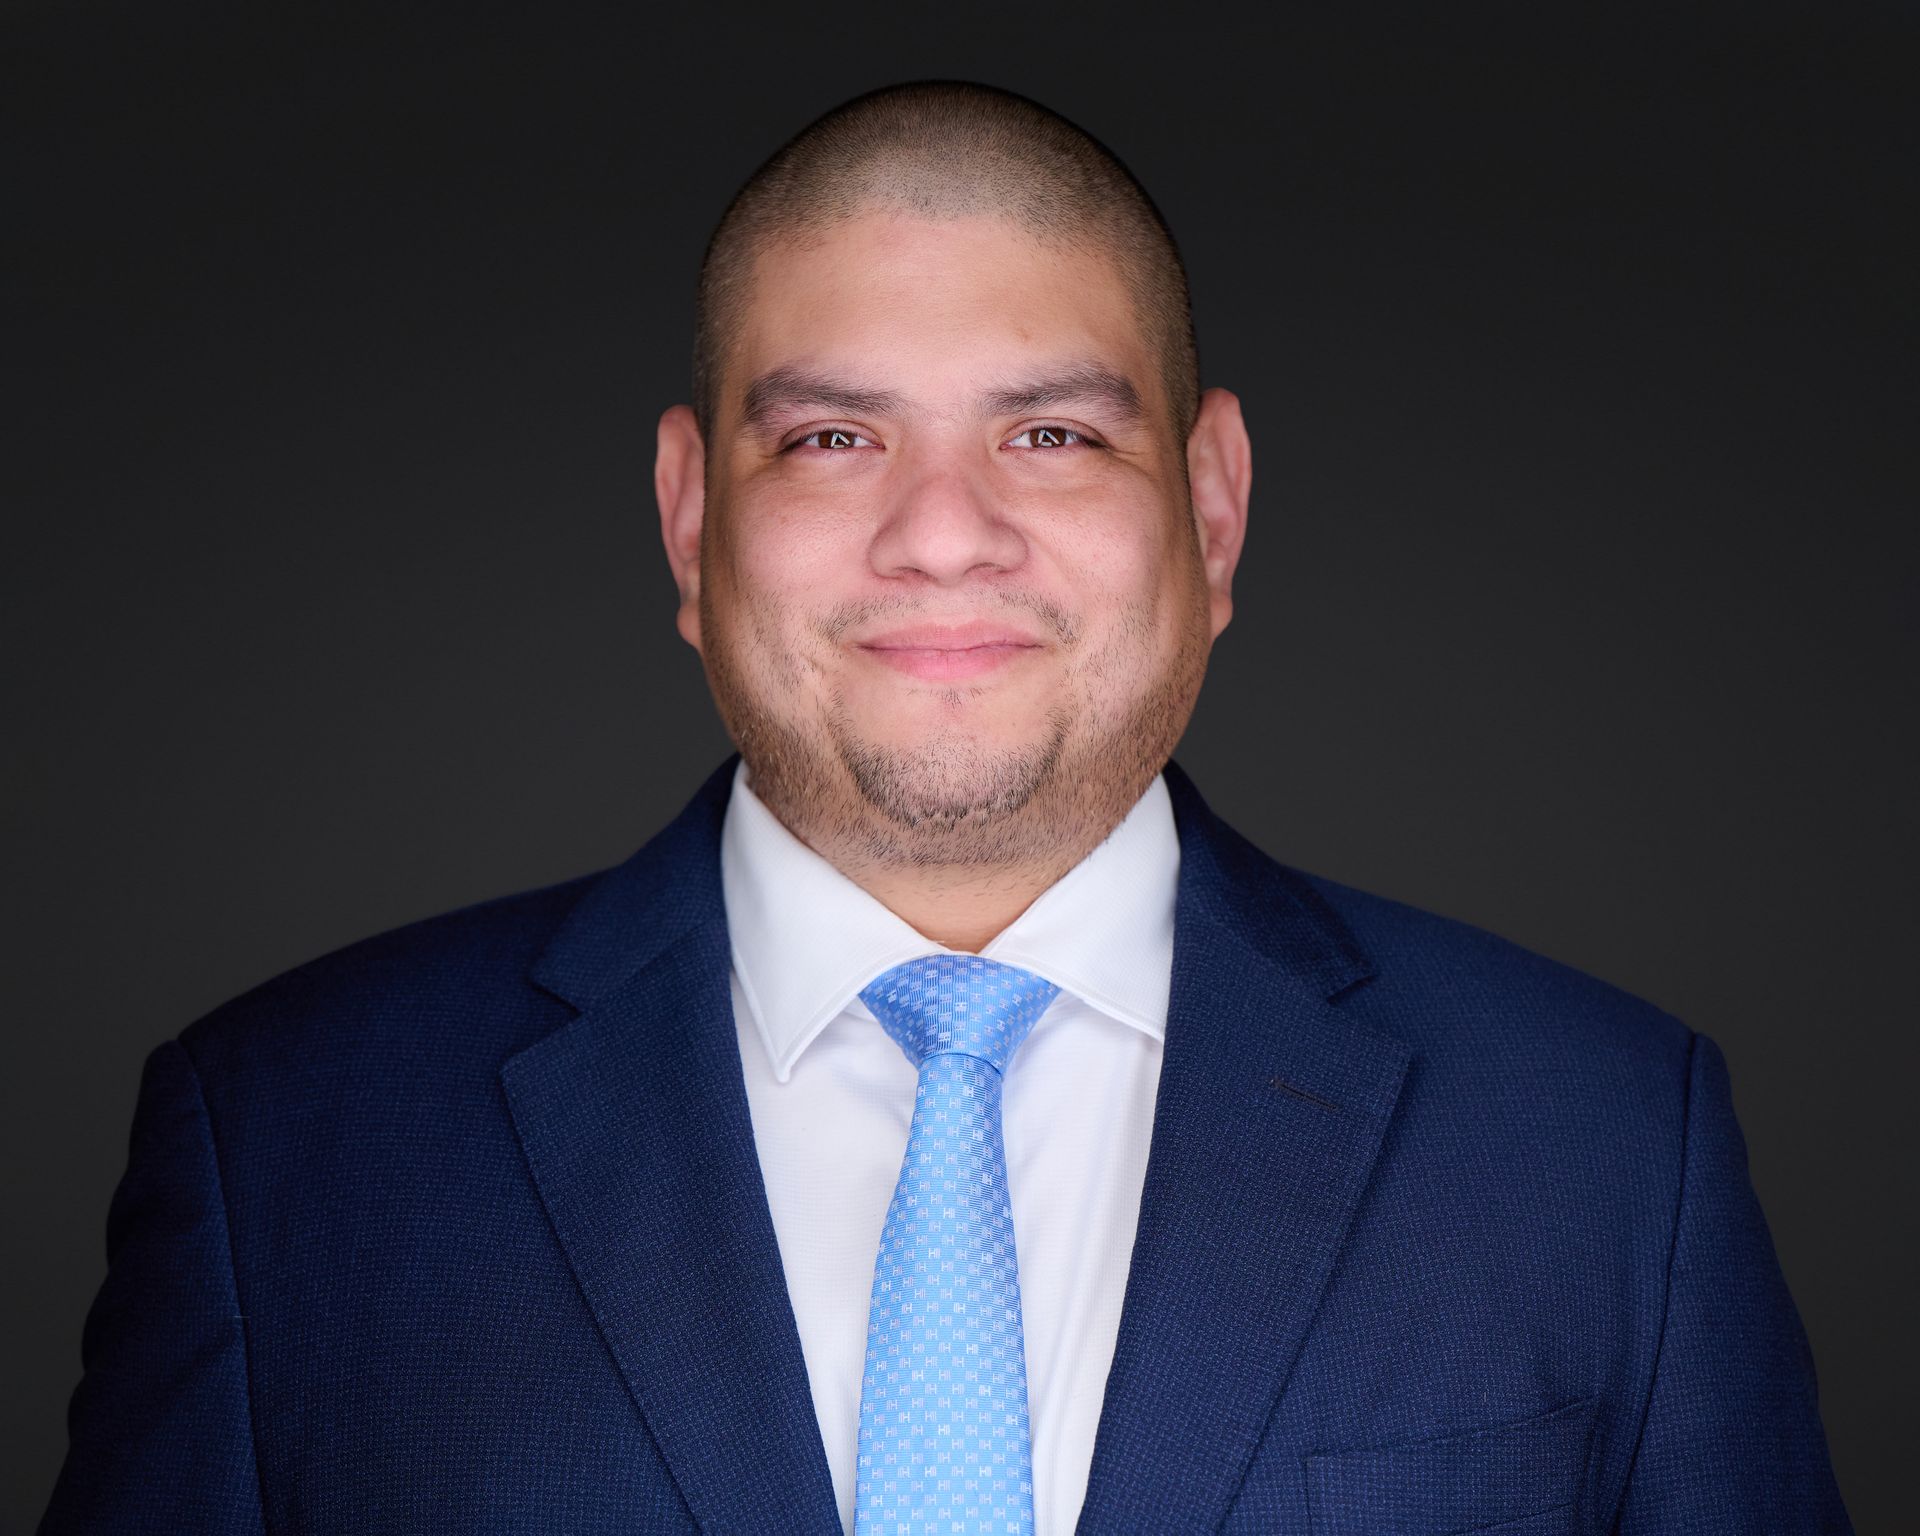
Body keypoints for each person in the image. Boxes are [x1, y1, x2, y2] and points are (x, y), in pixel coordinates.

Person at [42, 80, 1849, 1535]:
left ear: (1214, 509)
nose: (943, 536)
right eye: (833, 438)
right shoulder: (280, 1149)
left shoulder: (1610, 1146)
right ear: (691, 518)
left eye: (1051, 434)